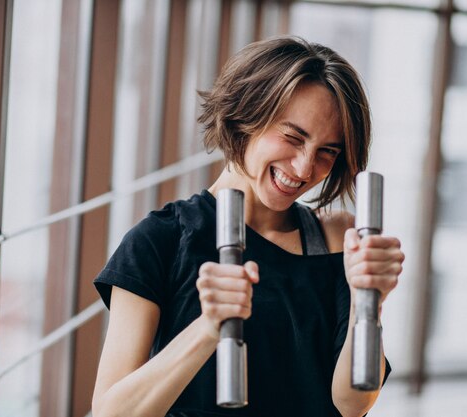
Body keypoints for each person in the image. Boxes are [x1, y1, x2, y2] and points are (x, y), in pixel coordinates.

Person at [91, 36, 405, 417]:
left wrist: (367, 301)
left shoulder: (336, 239)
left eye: (328, 151)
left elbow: (352, 404)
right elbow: (111, 413)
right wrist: (208, 329)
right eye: (293, 137)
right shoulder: (161, 241)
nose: (305, 169)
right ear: (246, 117)